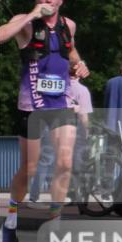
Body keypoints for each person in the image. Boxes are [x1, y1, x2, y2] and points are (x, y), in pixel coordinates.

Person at [0, 0, 90, 242]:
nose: (48, 0)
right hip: (32, 106)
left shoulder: (68, 26)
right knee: (30, 168)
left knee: (64, 162)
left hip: (60, 104)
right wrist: (32, 14)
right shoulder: (25, 22)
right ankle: (11, 221)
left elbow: (71, 50)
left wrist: (79, 65)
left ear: (61, 0)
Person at [29, 63, 92, 203]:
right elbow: (84, 116)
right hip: (70, 128)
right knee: (66, 163)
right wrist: (87, 131)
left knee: (45, 161)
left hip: (47, 124)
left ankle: (34, 196)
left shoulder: (55, 83)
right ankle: (62, 197)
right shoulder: (82, 91)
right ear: (79, 72)